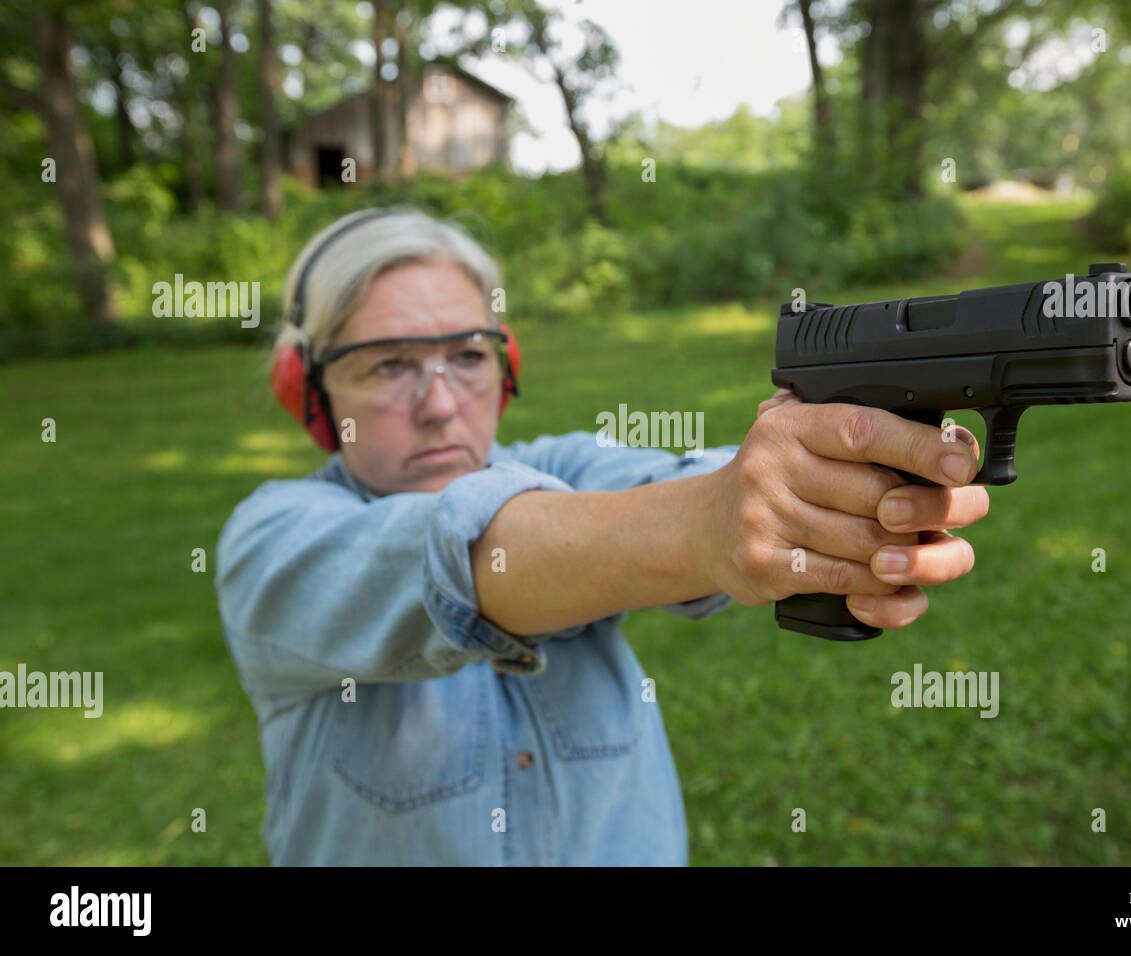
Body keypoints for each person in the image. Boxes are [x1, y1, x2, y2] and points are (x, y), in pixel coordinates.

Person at [214, 207, 990, 865]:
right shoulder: (272, 540)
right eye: (387, 366)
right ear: (307, 391)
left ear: (504, 364)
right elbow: (455, 556)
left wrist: (815, 486)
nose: (441, 405)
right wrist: (710, 524)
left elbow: (687, 480)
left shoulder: (563, 467)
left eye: (467, 354)